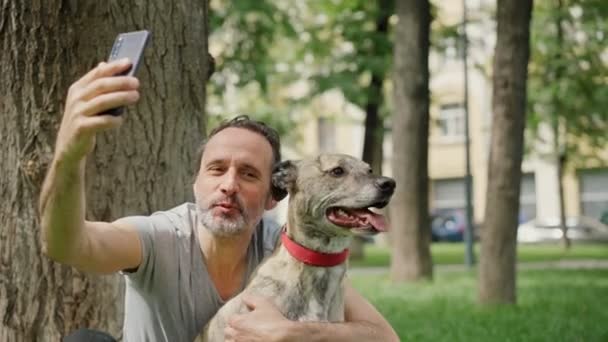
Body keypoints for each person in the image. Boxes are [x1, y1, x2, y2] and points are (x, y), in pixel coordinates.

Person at [40, 59, 399, 342]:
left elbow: (383, 337)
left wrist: (293, 333)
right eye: (216, 169)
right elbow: (65, 245)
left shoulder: (289, 249)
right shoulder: (159, 237)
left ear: (275, 195)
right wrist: (68, 157)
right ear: (195, 183)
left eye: (248, 174)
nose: (229, 184)